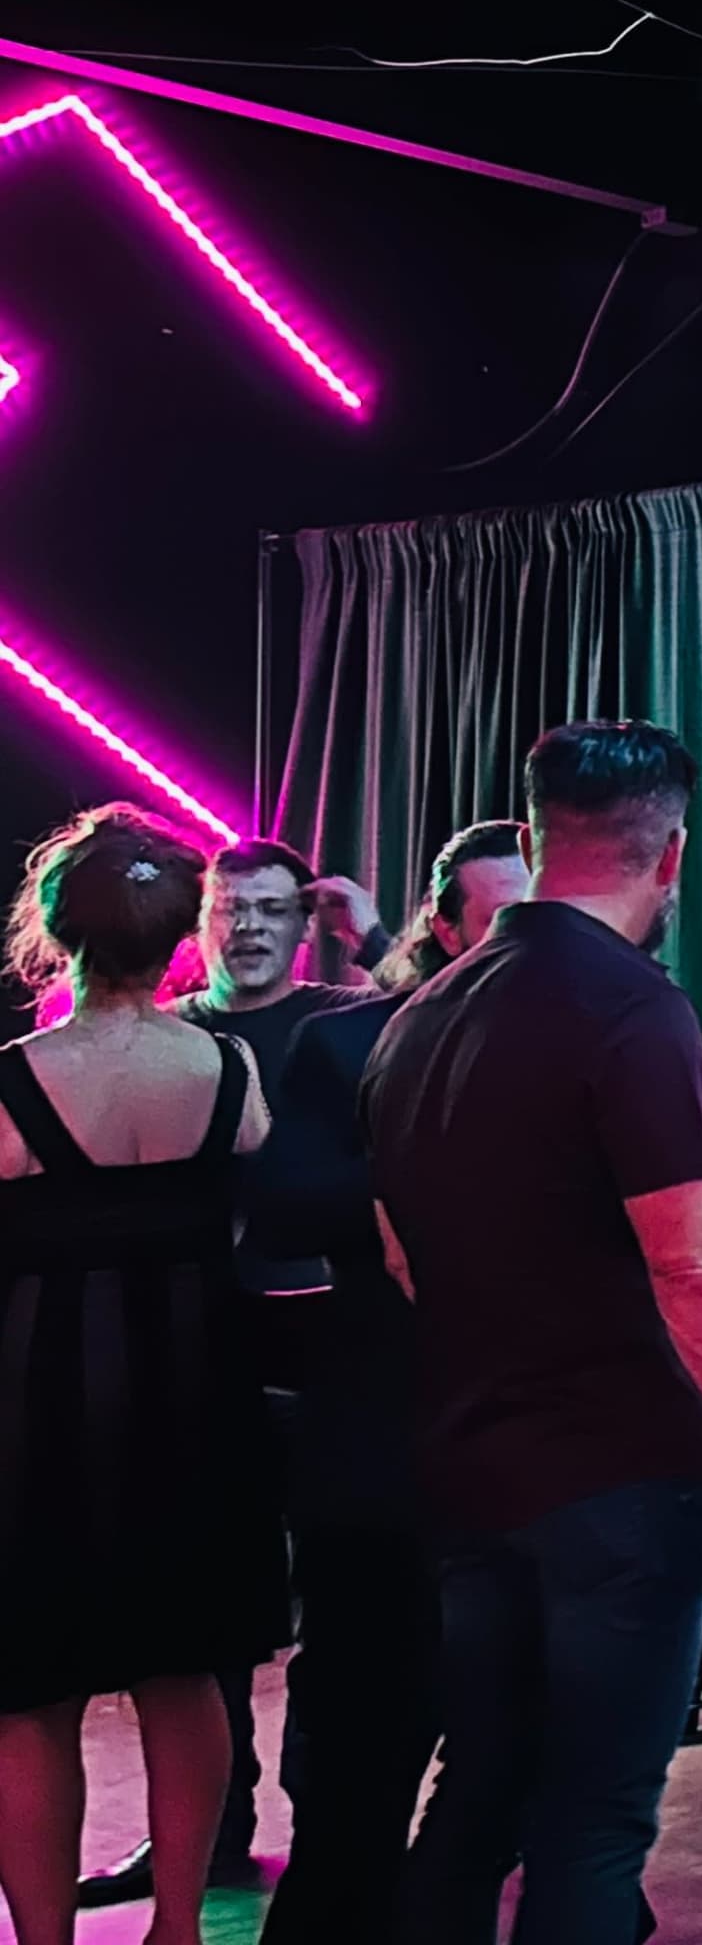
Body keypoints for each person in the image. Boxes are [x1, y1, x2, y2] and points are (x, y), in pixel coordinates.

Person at [364, 722, 702, 1945]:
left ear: (539, 836)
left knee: (480, 1791)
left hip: (464, 1465)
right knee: (596, 1821)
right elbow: (694, 1256)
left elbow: (402, 1256)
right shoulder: (631, 1008)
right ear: (673, 860)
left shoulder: (421, 1015)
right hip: (612, 1475)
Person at [86, 837, 389, 1908]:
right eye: (231, 908)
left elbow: (456, 1034)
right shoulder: (168, 1036)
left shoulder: (346, 1018)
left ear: (301, 923)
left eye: (270, 908)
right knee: (198, 1611)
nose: (249, 926)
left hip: (325, 1348)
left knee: (337, 1608)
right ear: (198, 922)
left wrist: (378, 936)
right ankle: (207, 1835)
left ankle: (331, 1837)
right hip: (193, 1347)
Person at [240, 820, 528, 1945]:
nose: (515, 942)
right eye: (492, 920)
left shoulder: (609, 1043)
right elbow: (284, 1205)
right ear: (441, 929)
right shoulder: (346, 1043)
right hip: (379, 1451)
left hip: (529, 1456)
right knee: (357, 1743)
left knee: (515, 1747)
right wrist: (417, 1197)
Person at [0, 806, 278, 1945]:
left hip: (36, 1410)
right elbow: (252, 1170)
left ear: (58, 936)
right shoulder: (228, 1066)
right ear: (176, 938)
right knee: (186, 1673)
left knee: (29, 1700)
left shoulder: (13, 1080)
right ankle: (177, 1928)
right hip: (197, 1400)